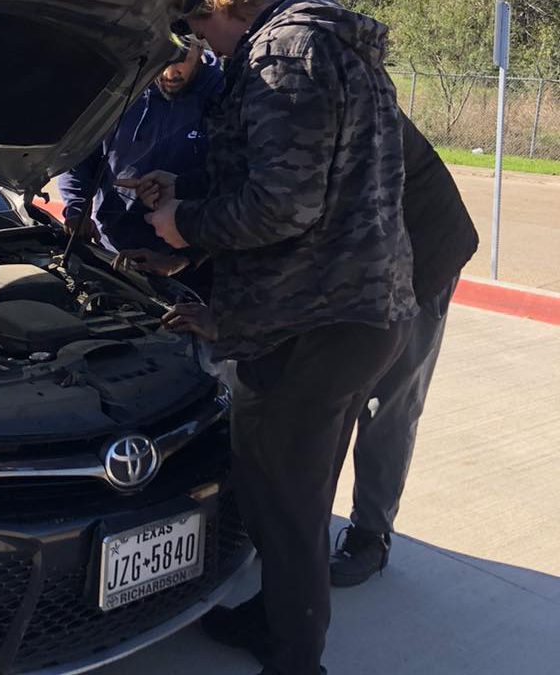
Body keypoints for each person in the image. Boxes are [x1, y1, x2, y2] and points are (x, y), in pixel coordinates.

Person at [123, 1, 416, 673]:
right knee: (292, 496)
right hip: (354, 312)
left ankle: (295, 657)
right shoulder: (337, 47)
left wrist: (186, 222)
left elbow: (284, 205)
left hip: (307, 324)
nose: (200, 43)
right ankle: (275, 615)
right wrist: (185, 190)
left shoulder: (283, 52)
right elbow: (303, 182)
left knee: (282, 501)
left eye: (197, 27)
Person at [330, 111, 479, 586]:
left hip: (421, 258)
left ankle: (370, 536)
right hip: (369, 262)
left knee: (386, 403)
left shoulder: (329, 91)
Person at [56, 41, 222, 252]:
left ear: (199, 47)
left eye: (181, 59)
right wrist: (77, 209)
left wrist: (180, 190)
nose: (170, 73)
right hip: (109, 246)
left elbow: (230, 179)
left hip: (187, 257)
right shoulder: (120, 87)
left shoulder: (225, 95)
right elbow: (79, 155)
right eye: (162, 60)